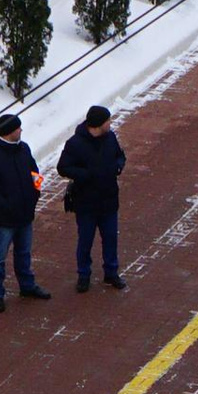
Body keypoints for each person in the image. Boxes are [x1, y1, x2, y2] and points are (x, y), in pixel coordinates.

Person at [0, 113, 48, 311]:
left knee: (24, 253)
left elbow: (35, 173)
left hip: (26, 214)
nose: (21, 131)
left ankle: (27, 285)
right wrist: (6, 205)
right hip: (4, 219)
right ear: (9, 132)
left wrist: (36, 192)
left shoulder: (23, 148)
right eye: (18, 128)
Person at [58, 102, 128, 290]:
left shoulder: (110, 138)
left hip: (108, 199)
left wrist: (118, 165)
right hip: (86, 202)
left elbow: (120, 156)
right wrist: (85, 174)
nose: (110, 123)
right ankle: (84, 275)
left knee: (111, 238)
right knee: (85, 241)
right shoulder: (75, 144)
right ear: (98, 124)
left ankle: (111, 272)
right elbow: (63, 167)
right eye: (108, 121)